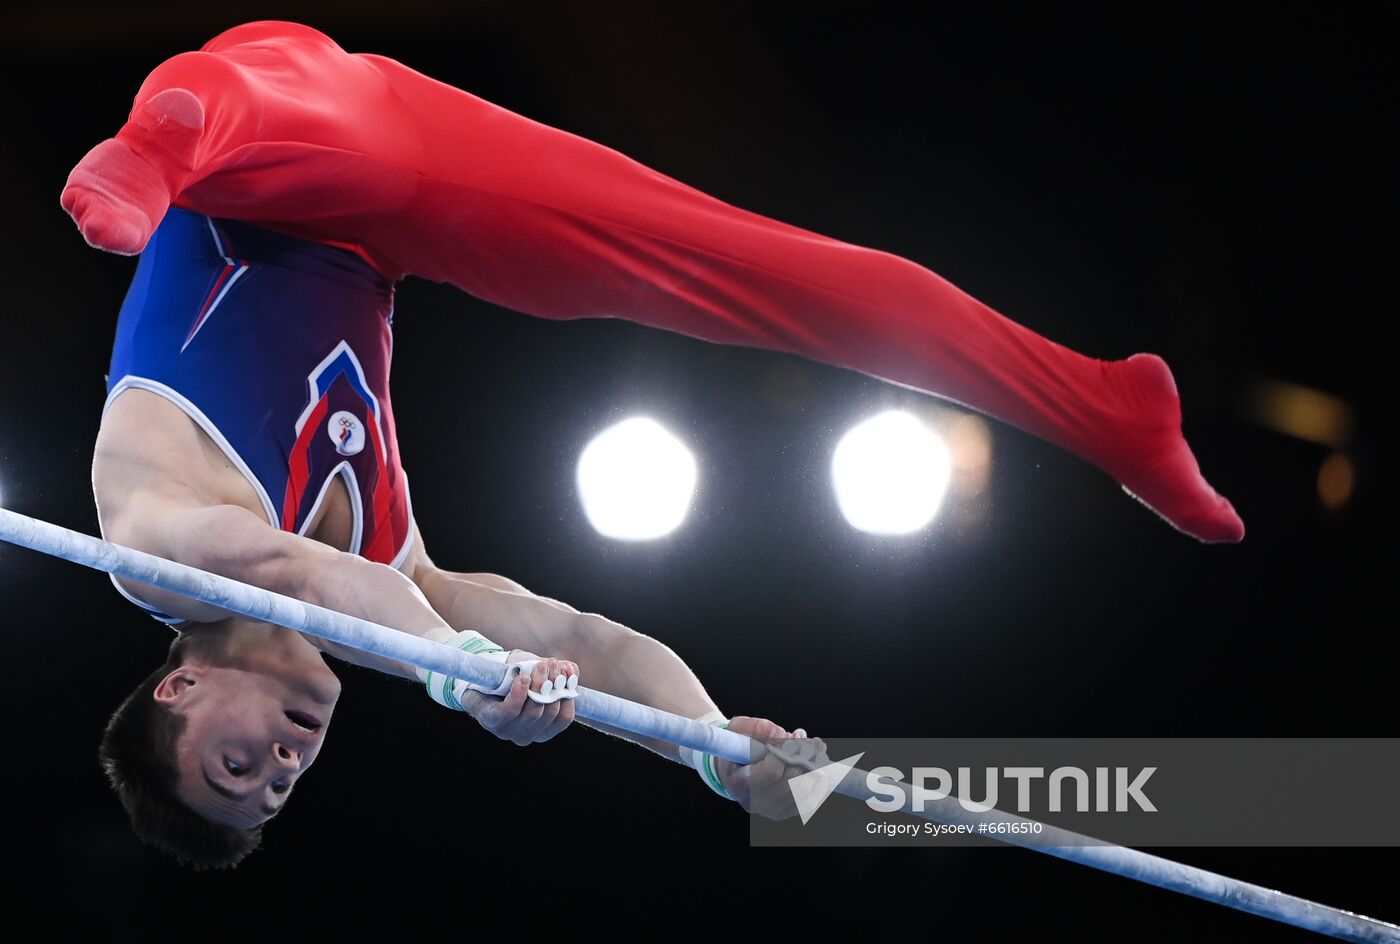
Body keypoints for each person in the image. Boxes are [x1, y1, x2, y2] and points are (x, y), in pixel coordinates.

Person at [66, 19, 1238, 867]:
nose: (281, 769)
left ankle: (151, 139)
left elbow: (303, 573)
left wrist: (453, 670)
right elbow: (582, 634)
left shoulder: (150, 538)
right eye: (277, 791)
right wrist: (707, 741)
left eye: (236, 767)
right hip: (406, 220)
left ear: (182, 682)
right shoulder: (403, 570)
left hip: (263, 163)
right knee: (771, 278)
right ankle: (1108, 411)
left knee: (251, 96)